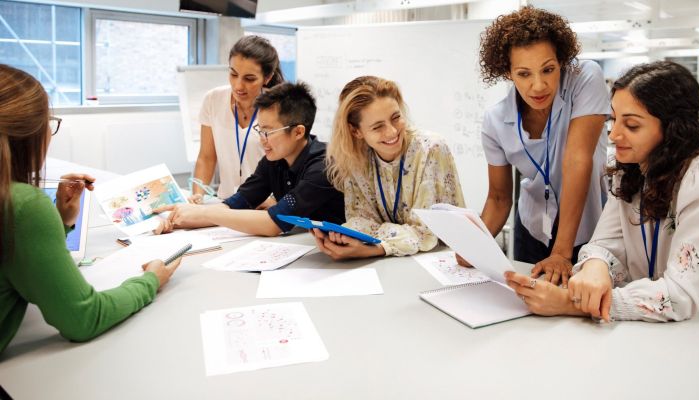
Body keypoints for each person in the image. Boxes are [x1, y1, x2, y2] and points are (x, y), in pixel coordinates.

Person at [505, 61, 699, 321]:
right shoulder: (631, 168)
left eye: (632, 125)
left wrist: (570, 304)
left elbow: (679, 296)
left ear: (673, 129)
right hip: (663, 322)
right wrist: (596, 268)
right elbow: (605, 244)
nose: (613, 135)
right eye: (613, 120)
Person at [0, 65, 182, 353]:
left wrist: (61, 221)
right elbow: (84, 318)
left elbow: (14, 260)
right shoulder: (22, 205)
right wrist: (150, 281)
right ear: (29, 133)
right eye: (50, 123)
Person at [471, 6, 610, 287]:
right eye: (524, 74)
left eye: (548, 69)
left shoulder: (585, 79)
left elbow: (577, 160)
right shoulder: (496, 120)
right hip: (532, 229)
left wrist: (561, 252)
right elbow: (499, 199)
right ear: (507, 72)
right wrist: (474, 248)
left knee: (580, 313)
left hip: (588, 227)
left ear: (562, 60)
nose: (538, 85)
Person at [155, 82, 345, 236]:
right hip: (308, 245)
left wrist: (203, 212)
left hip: (345, 256)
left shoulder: (324, 165)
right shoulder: (274, 160)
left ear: (298, 132)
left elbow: (273, 223)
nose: (262, 140)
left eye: (268, 132)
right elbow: (235, 204)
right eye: (259, 130)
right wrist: (179, 217)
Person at [312, 76, 465, 260]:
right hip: (387, 263)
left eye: (396, 118)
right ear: (356, 131)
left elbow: (425, 233)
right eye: (378, 127)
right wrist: (343, 236)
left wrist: (373, 248)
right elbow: (361, 221)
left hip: (440, 262)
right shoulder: (356, 158)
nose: (392, 132)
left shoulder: (430, 149)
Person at [191, 35, 284, 203]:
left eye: (249, 79)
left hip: (265, 205)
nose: (238, 86)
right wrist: (198, 195)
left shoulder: (279, 108)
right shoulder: (213, 99)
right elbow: (206, 157)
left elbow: (287, 165)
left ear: (267, 78)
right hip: (225, 203)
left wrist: (274, 202)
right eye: (233, 74)